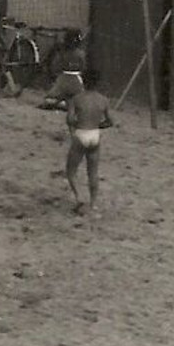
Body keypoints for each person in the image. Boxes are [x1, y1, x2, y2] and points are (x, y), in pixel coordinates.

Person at [64, 69, 113, 215]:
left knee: (71, 171)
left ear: (83, 81)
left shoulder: (77, 99)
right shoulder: (103, 100)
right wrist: (98, 125)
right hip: (94, 135)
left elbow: (69, 119)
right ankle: (93, 204)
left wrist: (78, 123)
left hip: (81, 134)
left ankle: (79, 198)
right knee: (93, 173)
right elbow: (110, 121)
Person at [42, 31, 88, 110]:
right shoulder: (81, 54)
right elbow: (83, 68)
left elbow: (57, 67)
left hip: (63, 78)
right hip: (77, 79)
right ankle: (69, 104)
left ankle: (62, 103)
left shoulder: (63, 53)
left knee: (49, 100)